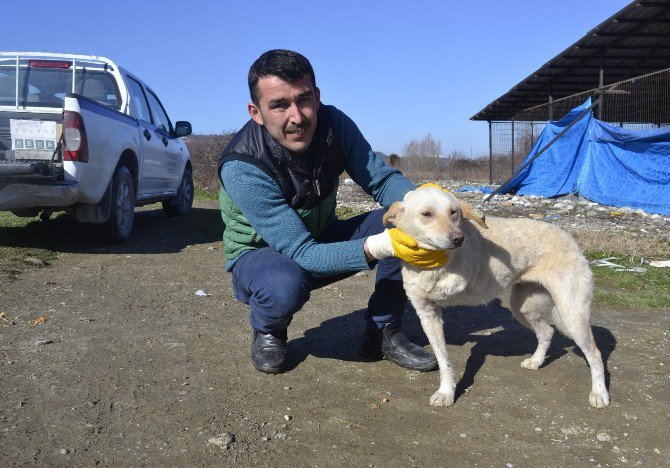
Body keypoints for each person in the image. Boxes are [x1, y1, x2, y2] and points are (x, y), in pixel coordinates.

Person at [218, 49, 447, 374]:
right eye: (280, 105)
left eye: (304, 99)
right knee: (284, 285)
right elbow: (302, 252)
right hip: (262, 255)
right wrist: (382, 245)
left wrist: (427, 204)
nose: (297, 116)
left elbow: (381, 180)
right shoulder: (243, 165)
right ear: (256, 112)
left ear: (318, 96)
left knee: (407, 225)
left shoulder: (334, 125)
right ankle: (269, 327)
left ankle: (383, 330)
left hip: (320, 236)